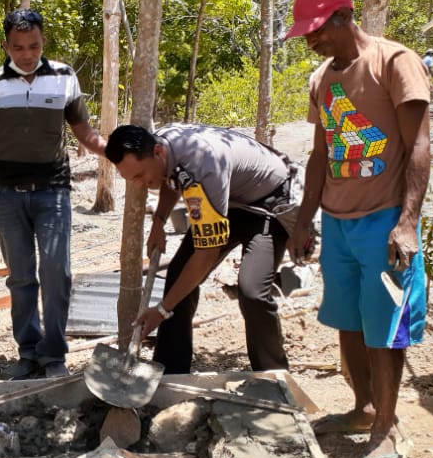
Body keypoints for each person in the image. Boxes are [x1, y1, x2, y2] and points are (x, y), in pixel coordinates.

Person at [284, 0, 430, 458]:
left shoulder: (395, 62)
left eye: (317, 30)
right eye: (306, 34)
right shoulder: (323, 77)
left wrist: (407, 223)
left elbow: (419, 146)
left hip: (385, 219)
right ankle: (363, 406)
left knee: (386, 326)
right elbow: (321, 154)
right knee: (349, 320)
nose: (311, 41)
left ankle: (386, 428)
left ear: (344, 17)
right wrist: (303, 220)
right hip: (338, 224)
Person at [0, 8, 107, 380]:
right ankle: (28, 353)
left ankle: (53, 354)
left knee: (56, 270)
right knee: (21, 275)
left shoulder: (64, 77)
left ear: (43, 42)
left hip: (54, 192)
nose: (26, 54)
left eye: (33, 45)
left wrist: (118, 152)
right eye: (18, 47)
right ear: (6, 46)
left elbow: (85, 134)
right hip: (8, 195)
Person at [107, 124, 295, 375]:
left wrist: (162, 310)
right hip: (228, 200)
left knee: (252, 291)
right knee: (177, 275)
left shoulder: (202, 167)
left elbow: (206, 255)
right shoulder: (165, 143)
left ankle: (273, 375)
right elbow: (171, 178)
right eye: (133, 179)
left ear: (158, 152)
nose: (141, 184)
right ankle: (171, 370)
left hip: (269, 206)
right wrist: (159, 221)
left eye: (141, 176)